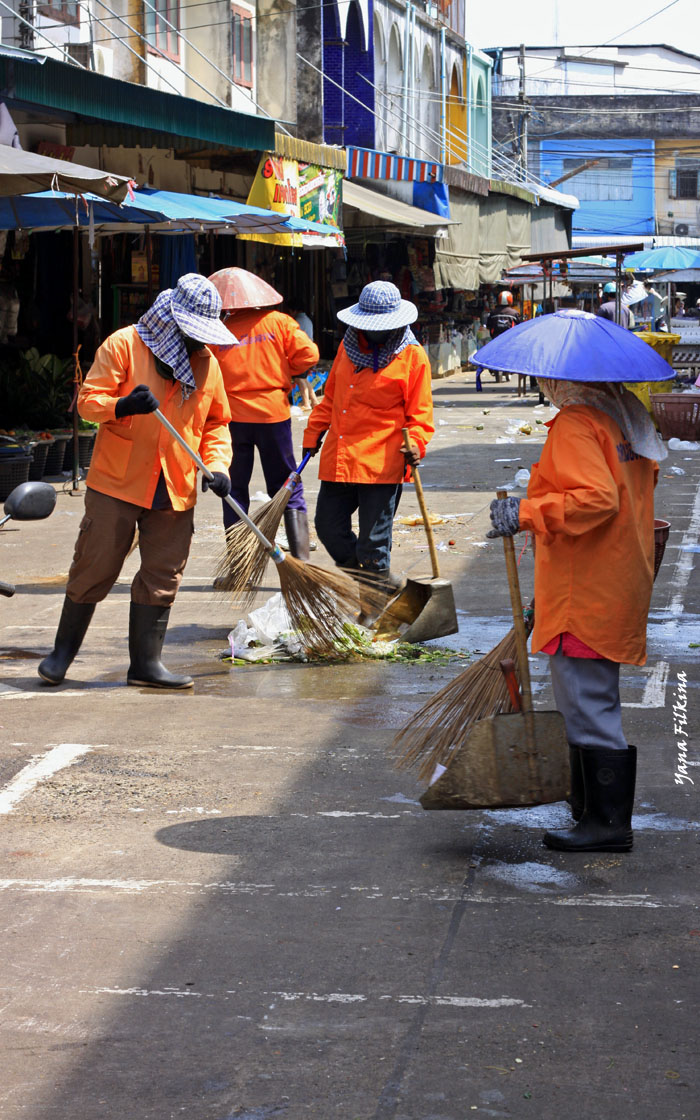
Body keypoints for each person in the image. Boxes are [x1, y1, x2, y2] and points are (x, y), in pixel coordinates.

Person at [488, 376, 664, 853]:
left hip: (583, 587)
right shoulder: (625, 418)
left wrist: (526, 513)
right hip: (615, 576)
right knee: (591, 699)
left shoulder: (578, 423)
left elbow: (596, 499)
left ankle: (606, 824)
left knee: (587, 706)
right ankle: (587, 805)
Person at [37, 274, 234, 690]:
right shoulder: (125, 344)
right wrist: (122, 405)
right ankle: (61, 655)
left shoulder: (207, 364)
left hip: (175, 485)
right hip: (118, 483)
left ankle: (146, 664)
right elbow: (89, 403)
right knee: (95, 565)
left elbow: (215, 424)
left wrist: (218, 467)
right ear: (174, 321)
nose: (200, 345)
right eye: (194, 335)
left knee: (163, 573)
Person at [302, 281, 434, 614]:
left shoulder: (412, 356)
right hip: (341, 458)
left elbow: (420, 416)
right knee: (328, 527)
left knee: (373, 546)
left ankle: (371, 610)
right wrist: (313, 432)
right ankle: (383, 585)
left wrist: (416, 443)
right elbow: (330, 398)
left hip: (382, 463)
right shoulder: (347, 349)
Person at [208, 268, 319, 560]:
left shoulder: (217, 330)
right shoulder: (280, 322)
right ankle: (302, 561)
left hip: (232, 418)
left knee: (233, 490)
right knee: (286, 485)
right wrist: (286, 371)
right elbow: (309, 355)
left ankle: (238, 565)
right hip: (273, 415)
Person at [286, 301, 319, 411]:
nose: (290, 313)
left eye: (290, 311)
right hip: (310, 351)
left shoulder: (297, 322)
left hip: (302, 353)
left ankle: (306, 404)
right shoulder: (307, 320)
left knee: (300, 379)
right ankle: (314, 401)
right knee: (304, 378)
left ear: (294, 310)